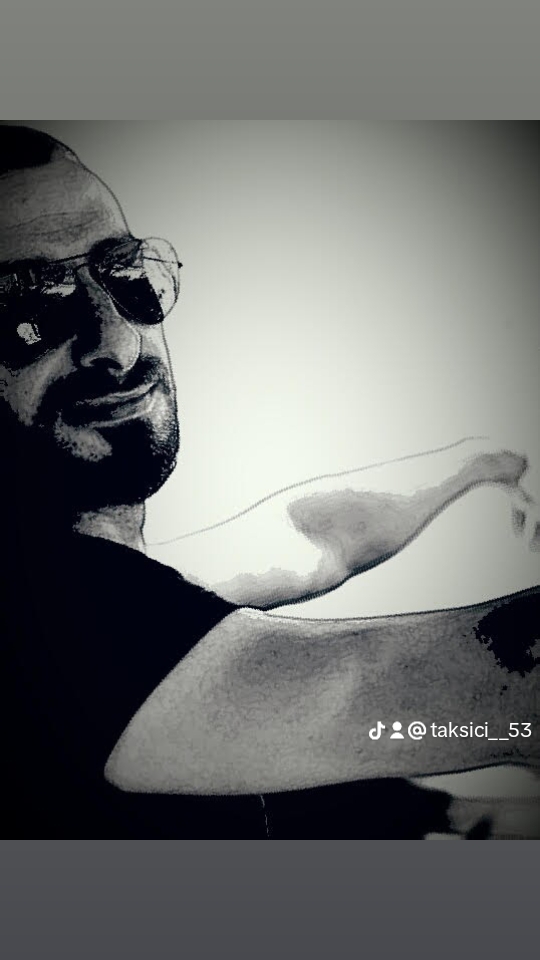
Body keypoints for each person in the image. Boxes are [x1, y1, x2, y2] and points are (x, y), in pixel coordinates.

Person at [1, 124, 539, 839]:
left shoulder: (116, 629)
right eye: (29, 305)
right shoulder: (38, 614)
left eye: (126, 273)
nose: (118, 342)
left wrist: (483, 462)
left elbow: (305, 539)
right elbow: (496, 684)